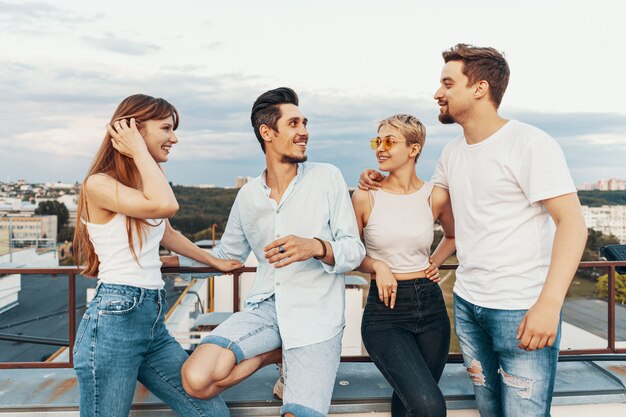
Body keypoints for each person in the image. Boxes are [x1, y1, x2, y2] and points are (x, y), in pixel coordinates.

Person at [359, 44, 587, 417]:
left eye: (447, 83)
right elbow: (418, 205)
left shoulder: (530, 143)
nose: (438, 93)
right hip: (468, 307)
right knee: (489, 411)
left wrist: (549, 304)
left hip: (521, 309)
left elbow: (573, 225)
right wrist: (376, 178)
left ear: (479, 88)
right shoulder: (452, 152)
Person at [177, 87, 365, 417]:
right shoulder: (248, 196)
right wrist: (168, 258)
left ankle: (289, 353)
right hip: (266, 310)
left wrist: (316, 247)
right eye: (294, 123)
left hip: (315, 319)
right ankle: (276, 353)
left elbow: (354, 250)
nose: (304, 131)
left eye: (305, 123)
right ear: (267, 132)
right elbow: (225, 254)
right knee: (196, 379)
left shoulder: (328, 178)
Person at [72, 94, 243, 417]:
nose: (174, 138)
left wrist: (214, 261)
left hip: (151, 322)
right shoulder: (99, 184)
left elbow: (166, 231)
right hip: (114, 320)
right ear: (133, 129)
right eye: (166, 128)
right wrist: (138, 150)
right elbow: (166, 206)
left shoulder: (146, 183)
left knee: (211, 412)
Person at [352, 114, 455, 417]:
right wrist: (378, 266)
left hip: (432, 308)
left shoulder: (434, 195)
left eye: (389, 141)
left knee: (408, 405)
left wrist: (435, 261)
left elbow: (452, 235)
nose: (380, 148)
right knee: (429, 407)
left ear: (414, 149)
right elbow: (349, 253)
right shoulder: (364, 196)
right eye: (377, 141)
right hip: (385, 314)